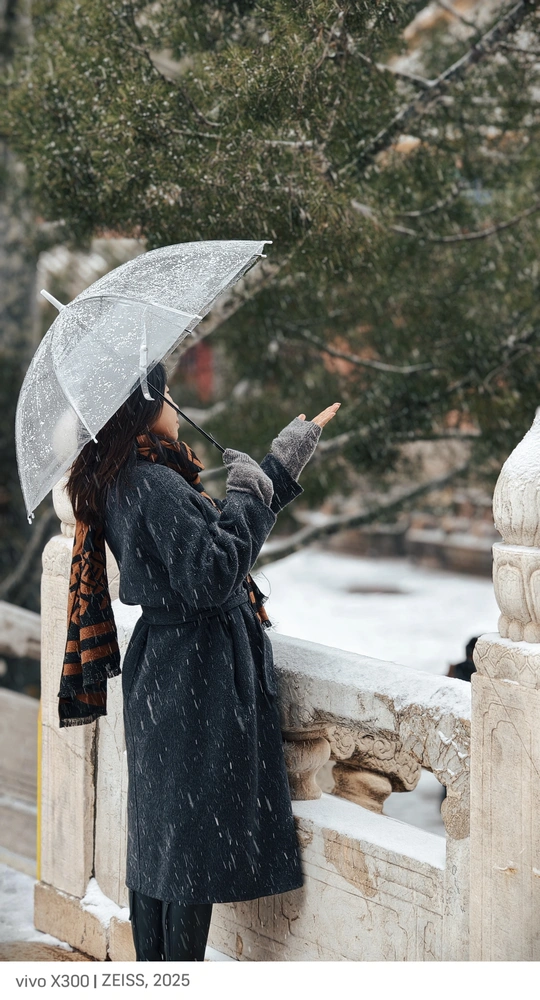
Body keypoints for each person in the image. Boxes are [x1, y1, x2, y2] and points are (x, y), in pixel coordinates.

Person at [60, 360, 340, 961]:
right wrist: (256, 487)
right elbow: (214, 574)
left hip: (168, 666)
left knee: (160, 839)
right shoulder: (154, 484)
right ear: (144, 407)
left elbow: (207, 553)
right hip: (195, 671)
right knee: (189, 849)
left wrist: (273, 473)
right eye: (166, 396)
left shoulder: (124, 477)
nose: (175, 405)